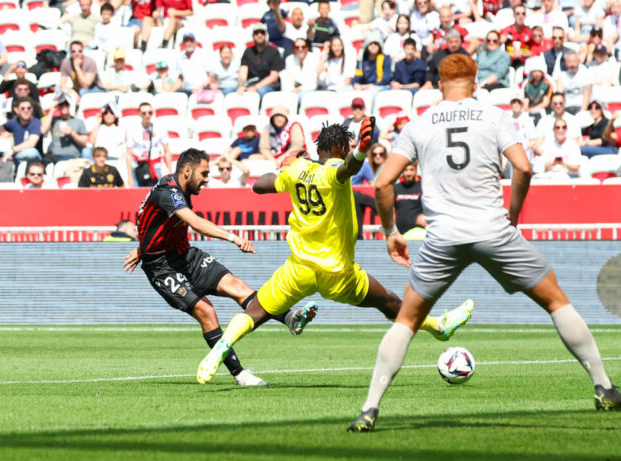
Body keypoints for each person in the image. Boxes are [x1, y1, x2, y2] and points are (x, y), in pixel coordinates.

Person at [347, 54, 621, 433]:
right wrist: (513, 215)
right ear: (476, 80)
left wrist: (390, 233)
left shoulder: (418, 124)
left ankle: (369, 409)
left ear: (437, 83)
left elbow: (382, 183)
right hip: (492, 229)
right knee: (555, 300)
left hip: (443, 236)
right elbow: (525, 167)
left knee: (407, 320)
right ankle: (604, 387)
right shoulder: (494, 116)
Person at [195, 122, 474, 385]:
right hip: (337, 272)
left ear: (319, 149)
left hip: (298, 269)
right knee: (388, 301)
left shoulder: (298, 169)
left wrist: (284, 168)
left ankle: (219, 350)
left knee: (255, 312)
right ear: (342, 149)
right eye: (348, 148)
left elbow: (258, 186)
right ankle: (439, 327)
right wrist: (362, 151)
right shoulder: (334, 169)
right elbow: (347, 170)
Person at [122, 148, 317, 387]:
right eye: (204, 173)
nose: (207, 178)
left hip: (185, 256)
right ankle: (240, 375)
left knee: (238, 286)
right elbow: (195, 223)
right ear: (187, 171)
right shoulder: (168, 192)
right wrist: (233, 238)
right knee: (206, 311)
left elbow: (152, 220)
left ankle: (289, 318)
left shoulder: (175, 190)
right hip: (162, 267)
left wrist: (143, 245)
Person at [125, 102, 173, 186]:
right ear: (139, 114)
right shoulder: (132, 130)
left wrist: (170, 171)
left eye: (150, 112)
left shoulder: (160, 128)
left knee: (156, 196)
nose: (147, 115)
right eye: (144, 113)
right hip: (138, 167)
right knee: (138, 196)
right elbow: (129, 154)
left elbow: (167, 151)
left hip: (155, 167)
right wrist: (129, 176)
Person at [0, 96, 43, 165]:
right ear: (17, 110)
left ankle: (2, 154)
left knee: (32, 152)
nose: (26, 110)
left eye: (28, 108)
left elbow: (31, 143)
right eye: (23, 108)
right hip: (17, 155)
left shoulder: (36, 122)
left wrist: (13, 150)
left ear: (32, 110)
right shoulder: (14, 122)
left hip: (34, 159)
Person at [238, 24, 284, 98]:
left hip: (269, 86)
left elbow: (274, 76)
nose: (259, 35)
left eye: (262, 33)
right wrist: (241, 86)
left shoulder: (274, 52)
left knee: (260, 92)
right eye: (256, 33)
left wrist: (256, 87)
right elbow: (243, 71)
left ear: (266, 35)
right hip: (251, 84)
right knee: (231, 91)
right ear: (253, 35)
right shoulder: (248, 52)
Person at [41, 94, 90, 163]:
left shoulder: (78, 122)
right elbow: (43, 130)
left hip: (71, 156)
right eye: (61, 104)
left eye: (66, 104)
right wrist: (52, 110)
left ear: (70, 105)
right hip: (53, 156)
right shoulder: (54, 120)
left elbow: (84, 143)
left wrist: (71, 133)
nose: (64, 106)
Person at [353, 32, 392, 98]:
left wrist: (370, 86)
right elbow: (357, 77)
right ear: (366, 46)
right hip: (365, 87)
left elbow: (386, 79)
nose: (373, 46)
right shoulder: (362, 60)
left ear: (380, 45)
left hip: (381, 87)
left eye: (376, 44)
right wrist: (356, 84)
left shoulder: (385, 58)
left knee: (371, 92)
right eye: (370, 44)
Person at [394, 160, 426, 236]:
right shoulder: (396, 188)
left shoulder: (423, 187)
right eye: (405, 170)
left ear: (416, 170)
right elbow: (391, 211)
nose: (408, 173)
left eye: (411, 170)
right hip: (400, 234)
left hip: (419, 233)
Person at [500, 4, 532, 68]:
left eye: (523, 14)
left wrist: (523, 54)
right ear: (514, 15)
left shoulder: (530, 32)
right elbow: (497, 50)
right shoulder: (506, 31)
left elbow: (535, 51)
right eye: (518, 14)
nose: (520, 16)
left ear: (525, 16)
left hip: (524, 63)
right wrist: (500, 41)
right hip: (508, 62)